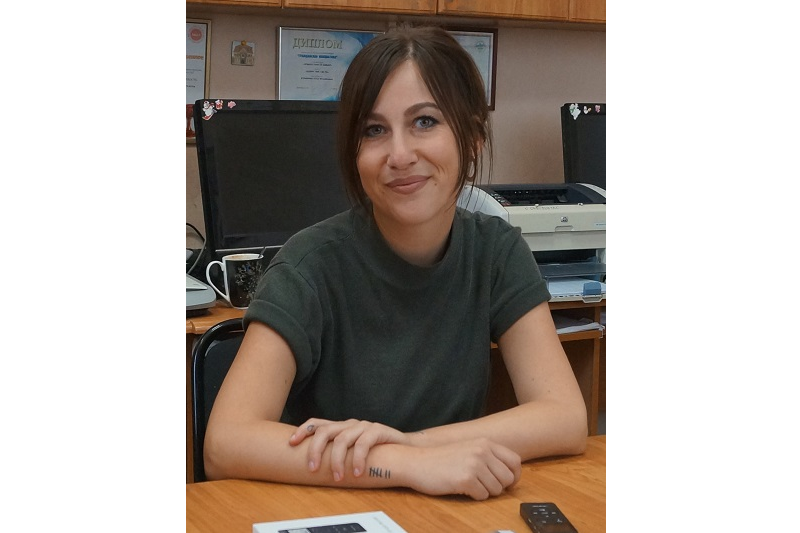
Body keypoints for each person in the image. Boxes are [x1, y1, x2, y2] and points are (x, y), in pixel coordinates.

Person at [203, 25, 588, 501]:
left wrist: (416, 445)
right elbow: (226, 442)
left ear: (472, 138)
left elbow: (564, 416)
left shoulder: (496, 251)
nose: (400, 155)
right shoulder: (308, 265)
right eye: (374, 130)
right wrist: (405, 464)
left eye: (425, 121)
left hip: (448, 508)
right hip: (333, 510)